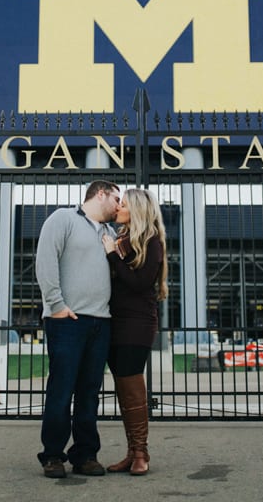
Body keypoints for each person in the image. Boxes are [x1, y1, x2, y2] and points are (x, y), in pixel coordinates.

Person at [34, 179, 121, 479]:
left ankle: (85, 454)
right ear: (101, 194)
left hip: (101, 322)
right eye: (116, 199)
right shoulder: (63, 219)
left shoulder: (111, 234)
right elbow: (45, 261)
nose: (119, 206)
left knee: (89, 392)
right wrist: (56, 304)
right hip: (66, 320)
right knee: (62, 389)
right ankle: (53, 456)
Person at [101, 187, 168, 476]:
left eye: (123, 204)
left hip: (137, 322)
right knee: (122, 388)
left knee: (132, 384)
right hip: (113, 320)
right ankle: (131, 451)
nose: (118, 208)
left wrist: (112, 256)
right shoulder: (122, 239)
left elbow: (140, 284)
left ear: (137, 209)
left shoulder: (152, 241)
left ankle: (141, 451)